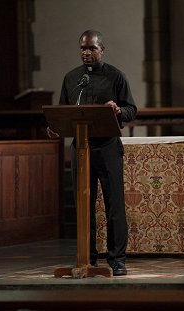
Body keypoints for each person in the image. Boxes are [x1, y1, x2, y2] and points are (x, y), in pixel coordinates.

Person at [48, 30, 137, 276]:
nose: (86, 53)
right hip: (82, 148)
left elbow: (132, 110)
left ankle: (117, 259)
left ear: (101, 50)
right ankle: (87, 258)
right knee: (83, 205)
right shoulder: (72, 78)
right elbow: (63, 111)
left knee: (114, 205)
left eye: (91, 49)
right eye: (83, 49)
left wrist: (118, 111)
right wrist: (55, 127)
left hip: (107, 147)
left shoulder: (115, 76)